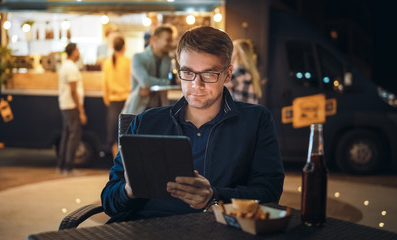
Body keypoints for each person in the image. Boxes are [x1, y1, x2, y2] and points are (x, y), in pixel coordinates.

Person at [101, 26, 284, 222]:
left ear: (228, 74)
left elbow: (268, 193)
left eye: (209, 74)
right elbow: (109, 201)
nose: (197, 85)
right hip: (146, 228)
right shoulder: (146, 121)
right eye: (187, 72)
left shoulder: (256, 121)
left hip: (217, 230)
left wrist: (214, 196)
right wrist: (128, 190)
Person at [122, 25, 174, 115]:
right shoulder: (138, 57)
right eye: (168, 40)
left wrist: (153, 86)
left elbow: (178, 79)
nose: (171, 44)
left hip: (161, 111)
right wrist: (170, 83)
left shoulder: (169, 60)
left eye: (171, 40)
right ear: (155, 39)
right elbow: (145, 82)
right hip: (137, 111)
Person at [57, 43, 87, 176]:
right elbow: (74, 91)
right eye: (77, 49)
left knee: (66, 135)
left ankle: (61, 166)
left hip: (65, 105)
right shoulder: (71, 68)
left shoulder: (65, 65)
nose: (79, 52)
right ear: (73, 52)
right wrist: (81, 111)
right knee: (74, 136)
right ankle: (68, 168)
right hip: (71, 106)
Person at [102, 36, 131, 157]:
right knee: (127, 134)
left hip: (113, 102)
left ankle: (116, 162)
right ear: (124, 47)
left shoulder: (107, 63)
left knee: (113, 136)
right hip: (127, 101)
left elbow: (104, 85)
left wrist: (108, 100)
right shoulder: (128, 62)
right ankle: (126, 163)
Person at [226, 39, 262, 104]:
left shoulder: (241, 71)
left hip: (244, 112)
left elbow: (222, 84)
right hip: (250, 111)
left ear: (237, 53)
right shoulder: (246, 70)